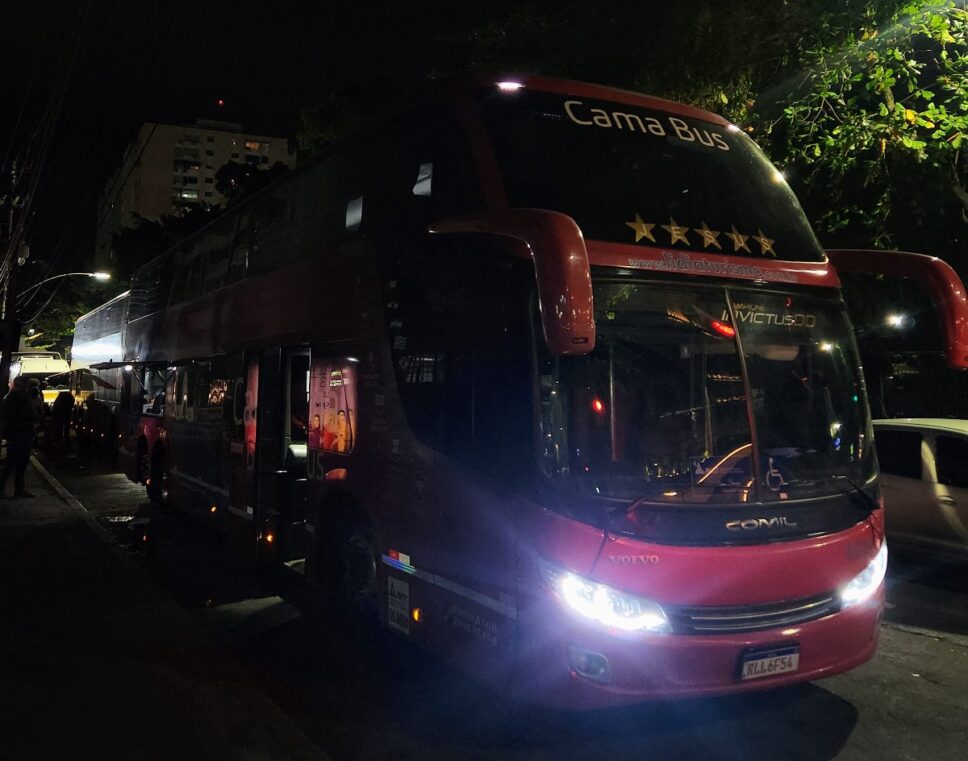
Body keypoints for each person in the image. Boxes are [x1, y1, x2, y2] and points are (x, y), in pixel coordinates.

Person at [0, 377, 39, 498]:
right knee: (14, 462)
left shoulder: (13, 397)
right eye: (25, 384)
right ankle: (9, 488)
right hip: (20, 433)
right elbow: (24, 414)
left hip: (19, 433)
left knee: (17, 462)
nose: (27, 387)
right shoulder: (16, 398)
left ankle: (18, 488)